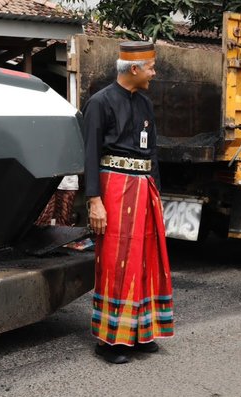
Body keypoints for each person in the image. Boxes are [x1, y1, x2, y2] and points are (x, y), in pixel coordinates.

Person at [81, 41, 174, 364]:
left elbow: (153, 155)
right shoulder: (100, 103)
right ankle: (110, 341)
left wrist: (157, 196)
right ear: (134, 69)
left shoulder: (145, 104)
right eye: (151, 67)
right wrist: (95, 201)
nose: (154, 72)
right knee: (116, 261)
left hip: (144, 189)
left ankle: (139, 332)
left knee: (146, 260)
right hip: (115, 189)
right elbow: (90, 154)